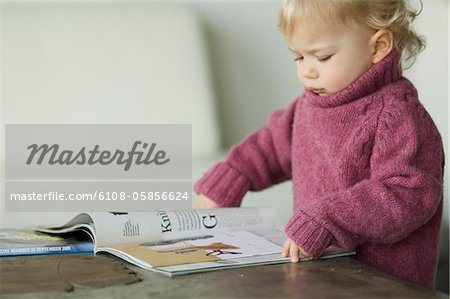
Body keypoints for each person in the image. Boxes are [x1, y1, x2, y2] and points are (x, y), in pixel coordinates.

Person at [195, 0, 444, 289]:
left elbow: (409, 193)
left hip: (383, 284)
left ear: (378, 47)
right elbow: (271, 146)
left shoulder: (398, 116)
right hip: (321, 274)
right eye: (298, 57)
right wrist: (234, 174)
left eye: (322, 57)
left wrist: (329, 219)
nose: (307, 72)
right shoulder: (310, 105)